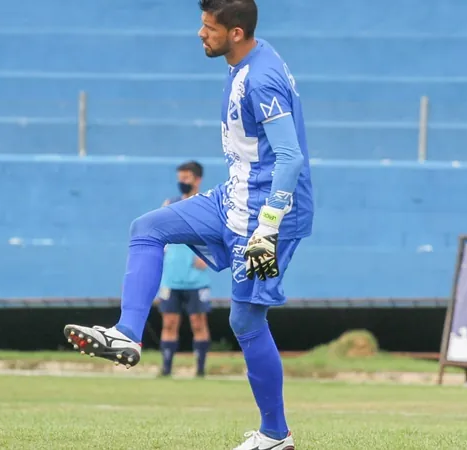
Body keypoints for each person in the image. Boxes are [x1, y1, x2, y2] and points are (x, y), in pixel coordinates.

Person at [64, 0, 313, 448]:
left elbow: (291, 157)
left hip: (267, 215)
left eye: (209, 27)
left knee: (245, 319)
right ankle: (128, 334)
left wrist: (269, 225)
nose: (201, 34)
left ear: (236, 32)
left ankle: (276, 434)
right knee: (147, 228)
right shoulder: (244, 63)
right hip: (231, 198)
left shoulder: (262, 77)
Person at [157, 160, 211, 378]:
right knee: (169, 321)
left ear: (197, 179)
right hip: (172, 276)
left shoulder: (207, 206)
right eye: (180, 179)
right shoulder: (170, 204)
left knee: (198, 322)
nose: (182, 183)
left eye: (186, 179)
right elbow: (158, 233)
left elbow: (222, 235)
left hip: (196, 278)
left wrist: (210, 257)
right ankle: (166, 368)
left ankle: (200, 369)